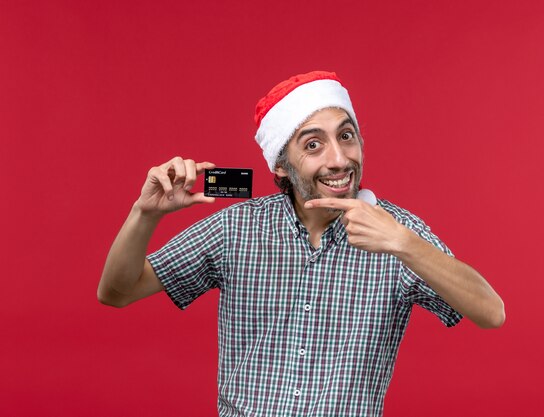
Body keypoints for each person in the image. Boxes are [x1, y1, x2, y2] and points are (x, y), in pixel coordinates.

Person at [98, 70, 505, 416]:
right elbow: (116, 292)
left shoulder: (396, 232)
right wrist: (145, 213)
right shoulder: (237, 229)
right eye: (313, 144)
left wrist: (406, 244)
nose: (339, 159)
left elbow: (491, 312)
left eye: (347, 136)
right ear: (280, 163)